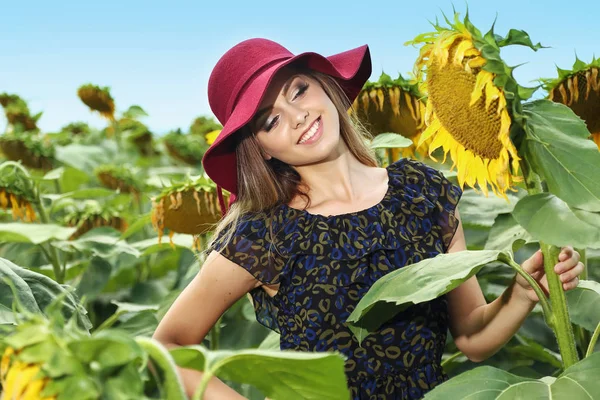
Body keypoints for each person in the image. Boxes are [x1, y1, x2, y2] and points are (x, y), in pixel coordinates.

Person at [153, 38, 584, 400]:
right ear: (261, 147)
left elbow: (472, 338)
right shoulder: (266, 233)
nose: (298, 115)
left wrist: (523, 294)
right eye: (271, 119)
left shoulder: (422, 193)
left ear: (325, 88)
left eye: (298, 91)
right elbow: (167, 346)